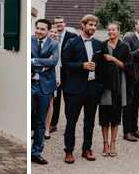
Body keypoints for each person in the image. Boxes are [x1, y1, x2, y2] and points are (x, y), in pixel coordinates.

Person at [59, 14, 102, 163]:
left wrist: (100, 84)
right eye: (90, 25)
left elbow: (101, 65)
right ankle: (69, 151)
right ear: (83, 25)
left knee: (89, 121)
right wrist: (82, 66)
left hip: (93, 88)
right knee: (72, 121)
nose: (93, 28)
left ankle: (87, 149)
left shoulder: (98, 44)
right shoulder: (72, 43)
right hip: (75, 88)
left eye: (95, 25)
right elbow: (65, 64)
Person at [97, 21, 130, 158]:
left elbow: (127, 66)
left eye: (113, 30)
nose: (111, 32)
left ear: (118, 31)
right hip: (105, 84)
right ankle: (105, 143)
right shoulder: (103, 45)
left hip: (119, 84)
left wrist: (113, 59)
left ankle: (113, 143)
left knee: (116, 116)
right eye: (109, 30)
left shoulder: (125, 46)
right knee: (104, 116)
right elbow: (98, 64)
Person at [29, 16, 55, 166]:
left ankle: (36, 152)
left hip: (44, 86)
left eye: (42, 29)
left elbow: (54, 61)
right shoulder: (30, 41)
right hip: (30, 83)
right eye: (37, 28)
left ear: (49, 31)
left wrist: (34, 61)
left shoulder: (54, 44)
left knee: (40, 121)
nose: (38, 31)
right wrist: (42, 64)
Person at [120, 17, 139, 141]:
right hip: (131, 75)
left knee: (136, 102)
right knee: (128, 103)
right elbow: (126, 57)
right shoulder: (128, 38)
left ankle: (134, 128)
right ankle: (126, 131)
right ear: (136, 25)